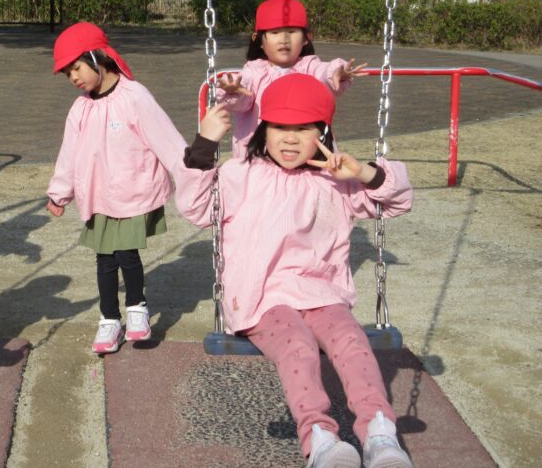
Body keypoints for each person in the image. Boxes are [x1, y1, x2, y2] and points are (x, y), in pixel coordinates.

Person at [175, 73, 414, 468]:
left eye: (303, 129)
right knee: (297, 346)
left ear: (323, 133)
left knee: (351, 340)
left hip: (322, 293)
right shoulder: (240, 175)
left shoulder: (336, 181)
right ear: (263, 131)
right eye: (279, 128)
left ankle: (379, 434)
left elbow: (397, 202)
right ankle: (320, 438)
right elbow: (197, 208)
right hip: (263, 298)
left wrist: (362, 173)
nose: (289, 139)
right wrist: (205, 143)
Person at [46, 22, 187, 354]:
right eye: (67, 73)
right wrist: (59, 192)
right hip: (98, 195)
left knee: (125, 253)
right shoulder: (81, 108)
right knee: (105, 259)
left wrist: (191, 172)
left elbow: (165, 136)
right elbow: (69, 153)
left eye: (76, 68)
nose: (73, 77)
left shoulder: (134, 97)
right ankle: (109, 318)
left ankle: (137, 307)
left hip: (131, 191)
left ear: (97, 57)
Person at [216, 0, 366, 157]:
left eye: (292, 32)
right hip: (261, 154)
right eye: (275, 33)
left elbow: (325, 72)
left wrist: (336, 72)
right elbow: (244, 90)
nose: (284, 40)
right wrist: (233, 90)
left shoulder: (310, 68)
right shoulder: (254, 71)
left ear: (306, 38)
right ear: (258, 40)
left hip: (305, 153)